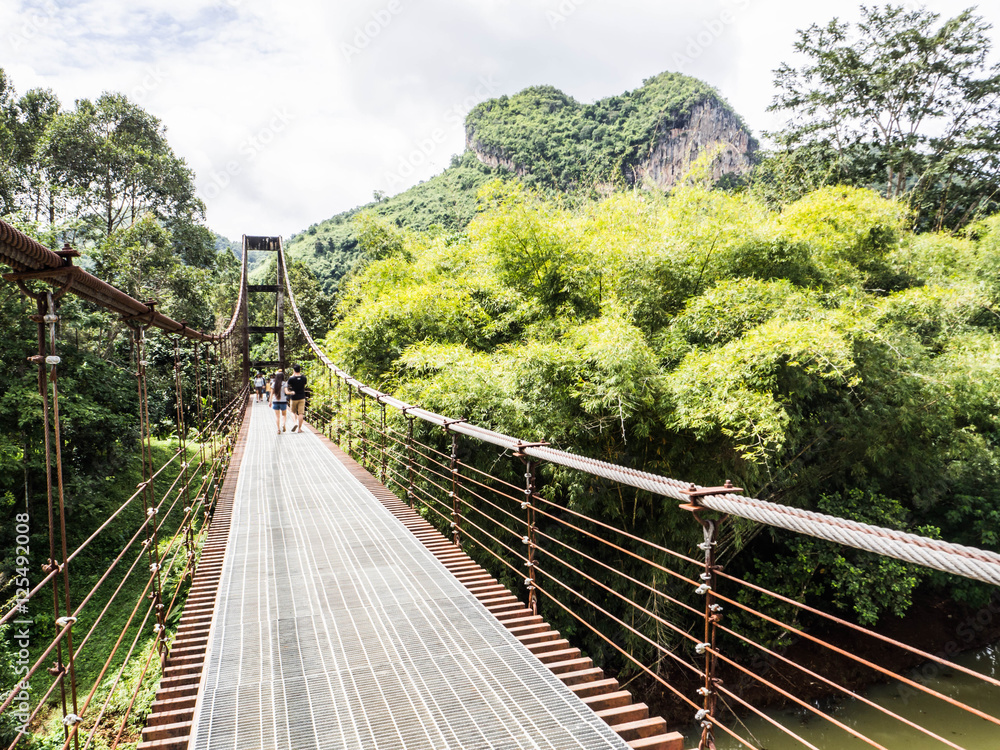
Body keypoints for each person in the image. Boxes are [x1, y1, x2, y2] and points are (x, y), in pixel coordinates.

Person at [286, 364, 307, 432]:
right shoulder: (304, 378)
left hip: (294, 397)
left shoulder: (291, 378)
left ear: (294, 370)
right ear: (300, 369)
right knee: (300, 413)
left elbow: (287, 384)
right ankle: (299, 429)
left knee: (292, 412)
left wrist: (293, 375)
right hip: (302, 397)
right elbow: (304, 385)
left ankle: (295, 423)